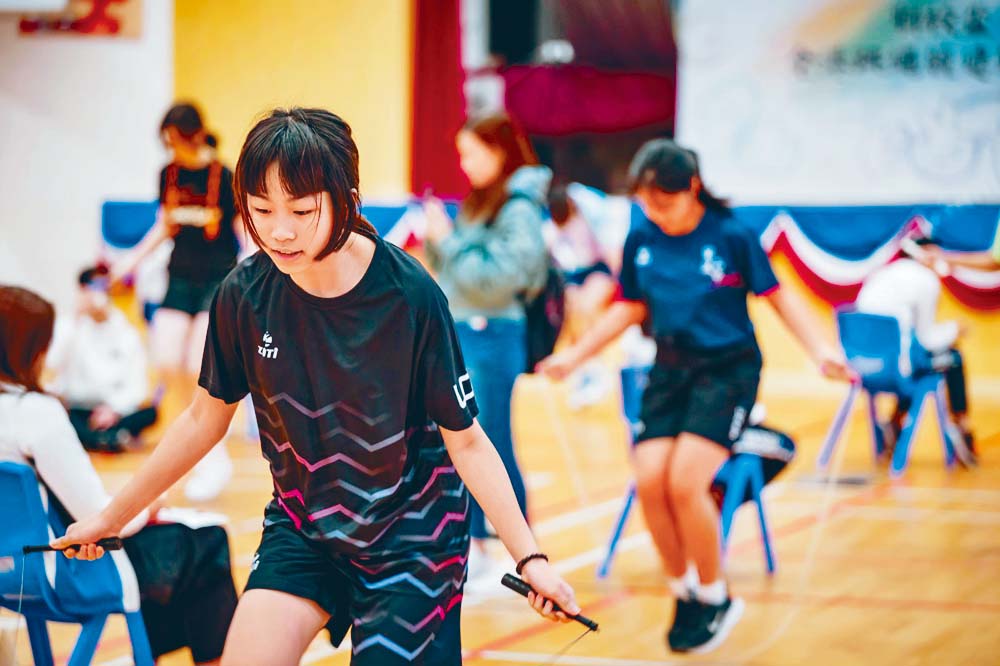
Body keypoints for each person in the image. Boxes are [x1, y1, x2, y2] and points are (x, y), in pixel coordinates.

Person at [55, 108, 579, 666]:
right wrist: (110, 518)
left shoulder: (410, 296)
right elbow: (202, 419)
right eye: (261, 210)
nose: (280, 231)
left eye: (302, 211)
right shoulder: (243, 296)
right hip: (304, 530)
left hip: (413, 540)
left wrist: (530, 560)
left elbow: (468, 441)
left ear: (345, 199)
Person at [538, 139, 851, 654]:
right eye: (646, 202)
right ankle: (684, 591)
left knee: (686, 482)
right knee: (650, 479)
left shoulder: (731, 236)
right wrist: (577, 356)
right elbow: (629, 306)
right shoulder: (643, 235)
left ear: (693, 188)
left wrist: (822, 350)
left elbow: (778, 296)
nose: (654, 212)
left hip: (728, 372)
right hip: (670, 368)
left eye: (665, 201)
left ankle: (716, 595)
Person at [0, 285, 238, 665]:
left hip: (10, 574)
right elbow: (101, 520)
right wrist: (147, 505)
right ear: (27, 348)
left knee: (171, 547)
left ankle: (149, 653)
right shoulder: (36, 413)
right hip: (69, 572)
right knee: (205, 542)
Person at [422, 113, 549, 581]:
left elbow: (499, 281)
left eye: (471, 153)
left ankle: (511, 557)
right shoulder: (483, 202)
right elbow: (458, 273)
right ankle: (475, 550)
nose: (465, 164)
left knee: (490, 441)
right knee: (461, 441)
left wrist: (448, 241)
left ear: (498, 152)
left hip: (495, 334)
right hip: (464, 330)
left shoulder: (518, 208)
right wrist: (440, 240)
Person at [113, 102, 239, 501]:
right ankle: (200, 439)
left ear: (196, 136)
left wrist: (261, 266)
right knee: (166, 361)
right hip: (179, 276)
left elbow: (240, 229)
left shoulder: (224, 175)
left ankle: (214, 454)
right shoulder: (167, 174)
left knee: (196, 363)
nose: (172, 150)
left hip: (218, 278)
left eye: (175, 141)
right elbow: (163, 226)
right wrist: (130, 259)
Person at [854, 255, 976, 465]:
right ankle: (961, 424)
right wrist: (955, 329)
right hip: (902, 369)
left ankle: (894, 422)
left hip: (863, 369)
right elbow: (926, 339)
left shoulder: (878, 276)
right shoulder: (926, 280)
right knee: (952, 358)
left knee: (916, 362)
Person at [46, 265, 158, 452]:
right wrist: (77, 317)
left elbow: (138, 384)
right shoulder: (69, 326)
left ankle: (99, 438)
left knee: (150, 413)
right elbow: (52, 363)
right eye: (92, 286)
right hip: (77, 406)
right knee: (58, 413)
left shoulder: (125, 332)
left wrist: (114, 410)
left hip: (114, 408)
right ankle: (112, 438)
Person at [545, 181, 618, 408]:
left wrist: (622, 282)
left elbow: (612, 248)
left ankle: (597, 371)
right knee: (574, 310)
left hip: (601, 267)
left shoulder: (592, 206)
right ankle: (583, 370)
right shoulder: (553, 223)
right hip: (575, 272)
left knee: (588, 306)